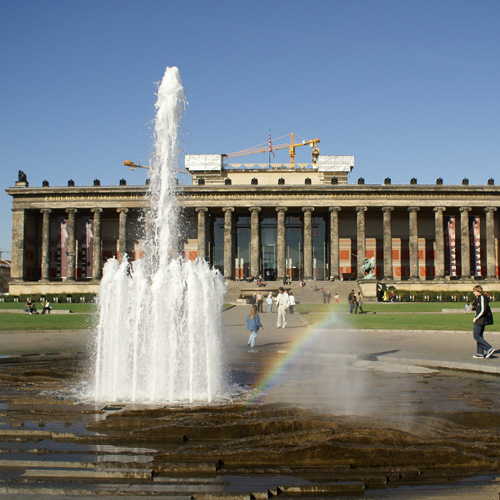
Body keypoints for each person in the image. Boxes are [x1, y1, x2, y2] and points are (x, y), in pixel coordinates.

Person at [471, 285, 495, 359]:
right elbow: (477, 309)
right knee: (479, 335)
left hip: (481, 319)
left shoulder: (482, 298)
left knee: (476, 336)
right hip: (479, 318)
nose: (473, 292)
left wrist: (476, 318)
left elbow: (483, 310)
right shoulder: (477, 298)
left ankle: (489, 348)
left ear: (478, 291)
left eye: (474, 291)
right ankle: (480, 353)